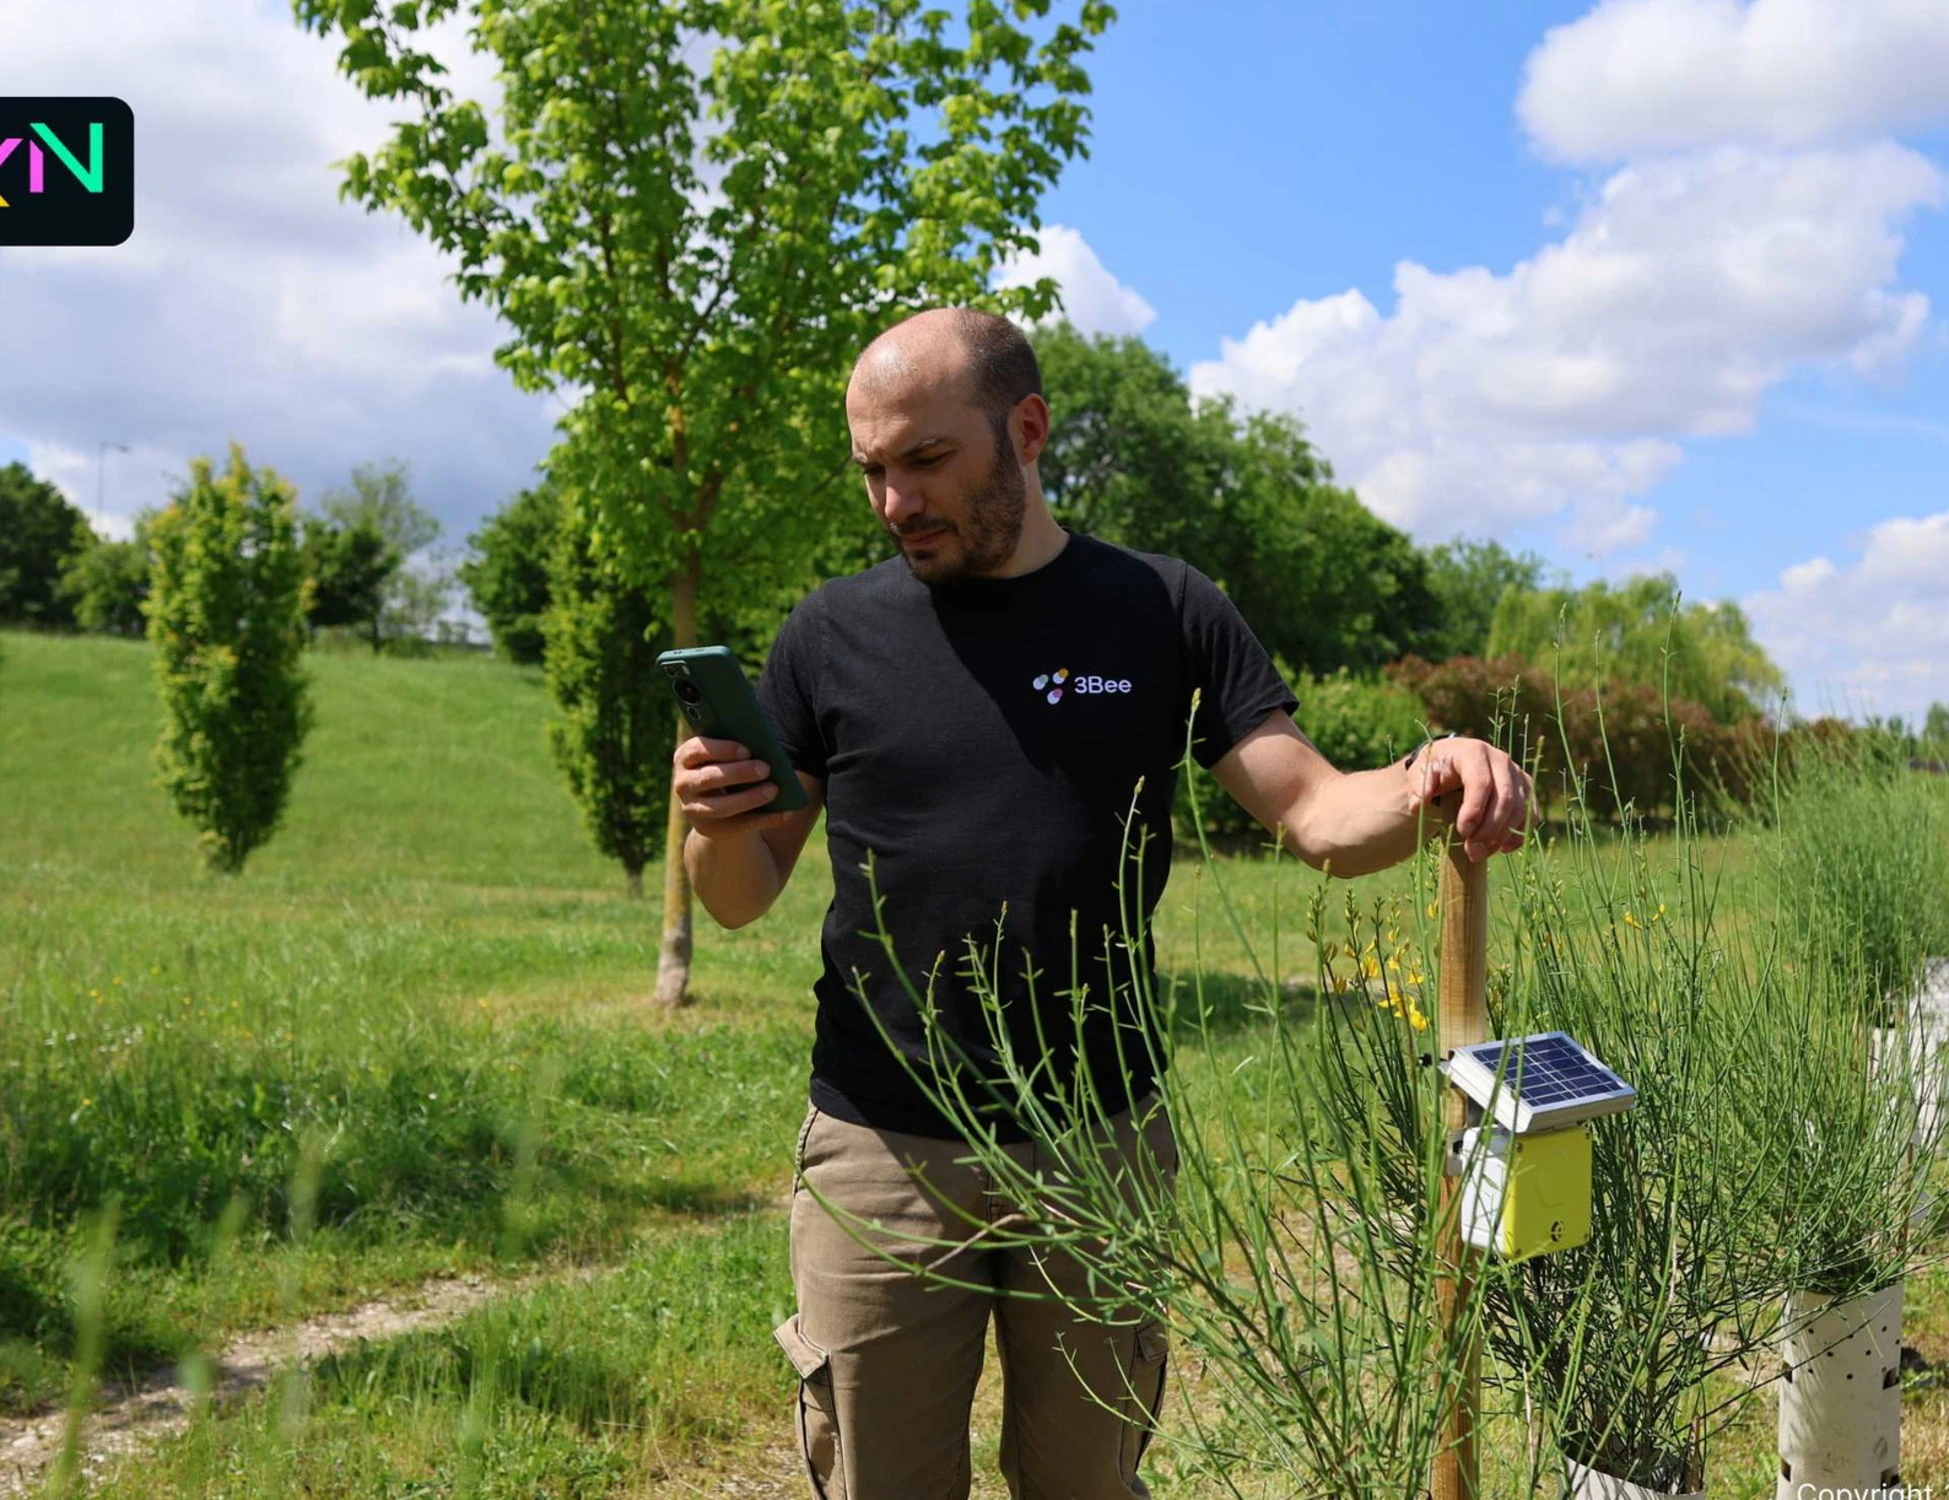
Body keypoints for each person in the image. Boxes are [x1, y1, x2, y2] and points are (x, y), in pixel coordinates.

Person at [673, 307, 1531, 1500]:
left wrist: (1439, 767)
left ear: (1024, 430)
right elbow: (738, 895)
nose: (894, 502)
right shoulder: (830, 635)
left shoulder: (1162, 610)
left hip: (1097, 1146)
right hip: (880, 1147)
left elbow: (1320, 817)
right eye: (871, 470)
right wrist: (712, 824)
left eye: (925, 460)